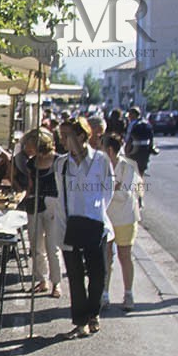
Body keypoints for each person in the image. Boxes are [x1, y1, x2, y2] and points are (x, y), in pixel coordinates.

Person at [55, 117, 114, 337]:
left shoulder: (100, 161)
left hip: (95, 225)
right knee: (75, 277)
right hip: (71, 226)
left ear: (81, 136)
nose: (62, 141)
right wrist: (62, 231)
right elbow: (61, 198)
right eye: (60, 136)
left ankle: (93, 313)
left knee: (98, 274)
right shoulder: (61, 164)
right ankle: (80, 322)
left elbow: (107, 192)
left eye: (66, 136)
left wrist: (94, 213)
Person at [18, 128, 61, 295]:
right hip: (34, 204)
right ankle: (42, 279)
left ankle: (56, 283)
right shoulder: (31, 162)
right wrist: (22, 199)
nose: (28, 148)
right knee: (36, 246)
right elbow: (29, 186)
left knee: (52, 246)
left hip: (52, 204)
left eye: (30, 144)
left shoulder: (58, 161)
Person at [104, 132, 143, 310]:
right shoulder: (101, 165)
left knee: (124, 256)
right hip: (106, 218)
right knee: (105, 257)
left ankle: (128, 295)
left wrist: (109, 188)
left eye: (102, 148)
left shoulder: (128, 167)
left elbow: (125, 195)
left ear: (110, 150)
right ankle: (104, 294)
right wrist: (114, 187)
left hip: (125, 218)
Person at [125, 107, 156, 176]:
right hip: (145, 149)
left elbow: (129, 138)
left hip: (134, 149)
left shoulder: (133, 124)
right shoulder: (146, 123)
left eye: (129, 115)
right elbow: (151, 137)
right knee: (141, 170)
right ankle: (140, 185)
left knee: (133, 171)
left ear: (133, 115)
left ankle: (135, 185)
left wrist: (126, 150)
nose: (128, 117)